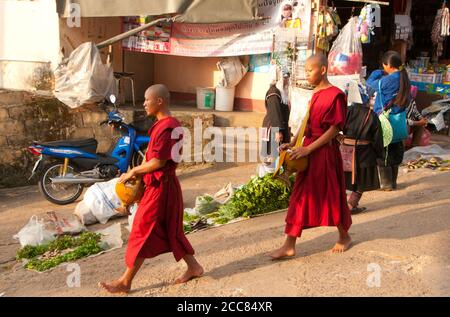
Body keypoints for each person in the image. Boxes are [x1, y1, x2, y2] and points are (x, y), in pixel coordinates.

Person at [99, 84, 203, 294]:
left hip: (162, 188)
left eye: (147, 100)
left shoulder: (169, 127)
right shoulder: (162, 125)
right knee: (170, 230)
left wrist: (133, 172)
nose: (144, 103)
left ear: (160, 101)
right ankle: (194, 267)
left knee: (141, 230)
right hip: (159, 187)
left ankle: (125, 281)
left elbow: (158, 162)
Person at [269, 53, 353, 260]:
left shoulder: (336, 95)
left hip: (325, 152)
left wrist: (309, 149)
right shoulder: (315, 92)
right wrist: (294, 141)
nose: (306, 74)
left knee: (332, 195)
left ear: (322, 70)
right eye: (305, 70)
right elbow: (306, 123)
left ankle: (344, 236)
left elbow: (334, 129)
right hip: (309, 151)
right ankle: (289, 244)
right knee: (300, 196)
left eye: (310, 70)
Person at [366, 51, 411, 191]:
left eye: (384, 65)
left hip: (386, 120)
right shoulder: (404, 77)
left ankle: (386, 184)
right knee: (396, 149)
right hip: (399, 120)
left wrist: (377, 72)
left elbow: (370, 84)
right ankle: (393, 182)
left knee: (383, 151)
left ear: (388, 66)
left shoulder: (388, 80)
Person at [341, 87, 384, 214]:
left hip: (345, 152)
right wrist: (379, 154)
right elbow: (377, 138)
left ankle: (344, 205)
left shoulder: (345, 111)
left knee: (344, 180)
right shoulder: (372, 115)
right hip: (365, 153)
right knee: (362, 181)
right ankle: (350, 205)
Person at [261, 72, 291, 169]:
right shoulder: (274, 92)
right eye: (285, 78)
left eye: (288, 78)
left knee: (281, 155)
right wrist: (277, 131)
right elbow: (274, 112)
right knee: (272, 155)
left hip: (279, 126)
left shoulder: (282, 92)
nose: (287, 80)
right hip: (273, 127)